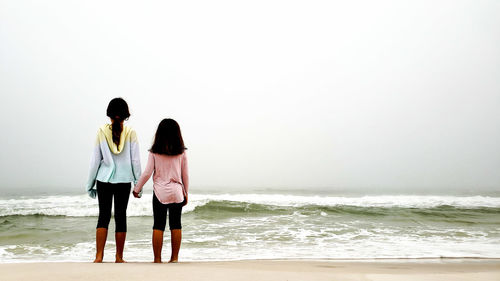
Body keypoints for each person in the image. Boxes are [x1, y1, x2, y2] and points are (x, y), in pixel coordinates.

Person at [86, 97, 141, 263]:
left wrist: (90, 184)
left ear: (109, 114)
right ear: (126, 115)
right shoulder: (131, 132)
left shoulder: (102, 131)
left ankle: (98, 256)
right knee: (120, 216)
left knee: (103, 216)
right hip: (124, 180)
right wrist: (138, 185)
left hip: (104, 180)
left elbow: (95, 160)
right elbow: (136, 161)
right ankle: (119, 257)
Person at [132, 118, 189, 263]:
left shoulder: (154, 151)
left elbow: (147, 172)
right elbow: (185, 174)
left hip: (160, 192)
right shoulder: (181, 152)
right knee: (176, 225)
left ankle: (157, 259)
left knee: (158, 225)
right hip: (177, 192)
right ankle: (174, 258)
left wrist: (137, 188)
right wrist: (186, 193)